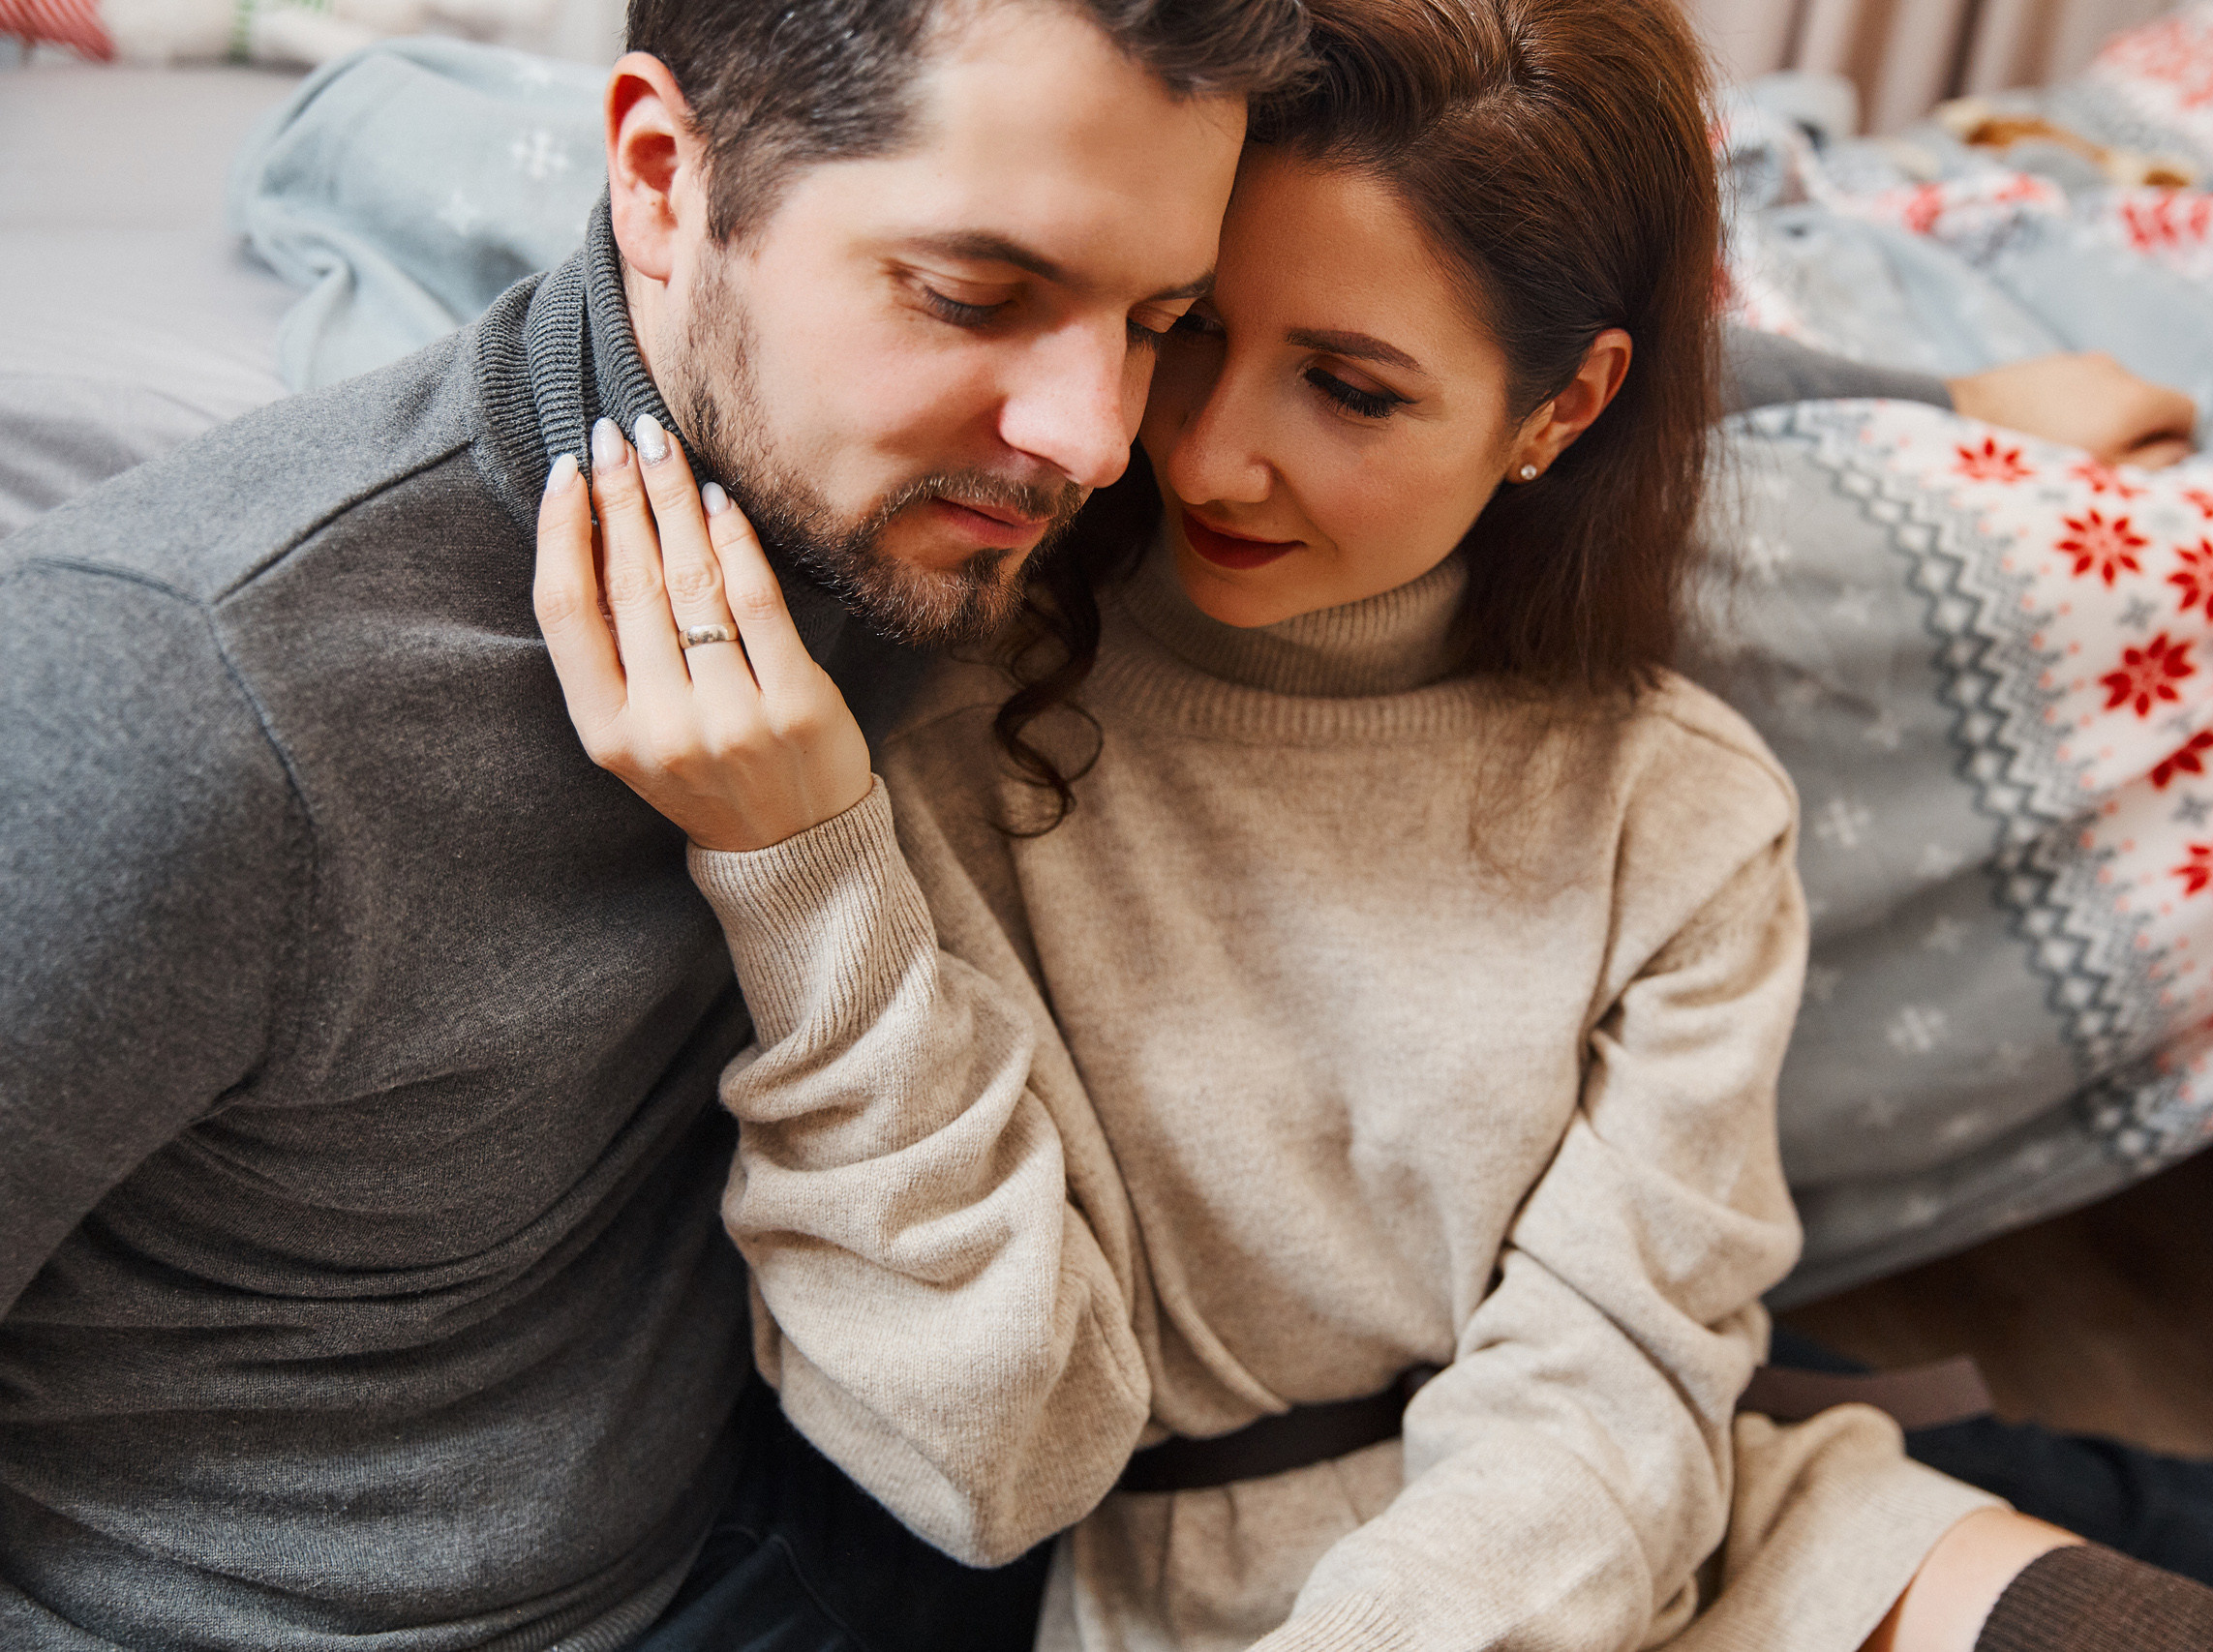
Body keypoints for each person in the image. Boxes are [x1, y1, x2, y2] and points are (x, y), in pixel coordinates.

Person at [532, 3, 2213, 1652]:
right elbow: (982, 1444)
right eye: (1194, 330)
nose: (1190, 451)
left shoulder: (1676, 803)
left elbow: (1612, 1389)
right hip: (1129, 1574)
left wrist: (1945, 390)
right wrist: (806, 879)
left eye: (1352, 390)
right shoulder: (948, 692)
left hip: (1578, 1523)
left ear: (1558, 415)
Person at [0, 0, 1314, 1645]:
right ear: (657, 177)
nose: (1098, 440)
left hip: (784, 1520)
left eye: (1156, 319)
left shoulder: (917, 521)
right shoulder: (175, 696)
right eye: (977, 295)